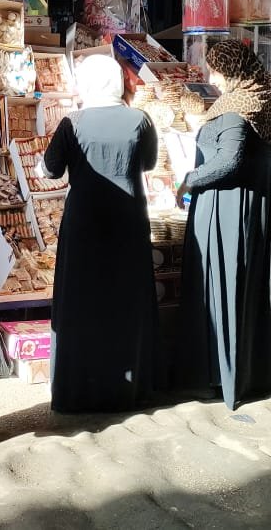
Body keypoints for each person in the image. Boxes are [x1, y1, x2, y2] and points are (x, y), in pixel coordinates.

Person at [42, 54, 158, 413]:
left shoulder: (72, 122)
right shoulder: (140, 119)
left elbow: (50, 170)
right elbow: (149, 163)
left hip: (85, 222)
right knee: (126, 299)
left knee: (81, 301)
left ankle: (78, 391)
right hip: (128, 219)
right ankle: (128, 391)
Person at [176, 40, 271, 411]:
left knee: (223, 285)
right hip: (254, 204)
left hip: (229, 207)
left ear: (232, 71)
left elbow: (229, 161)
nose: (212, 78)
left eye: (216, 71)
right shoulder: (266, 95)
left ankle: (218, 376)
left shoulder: (238, 107)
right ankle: (245, 374)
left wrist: (189, 180)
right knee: (245, 289)